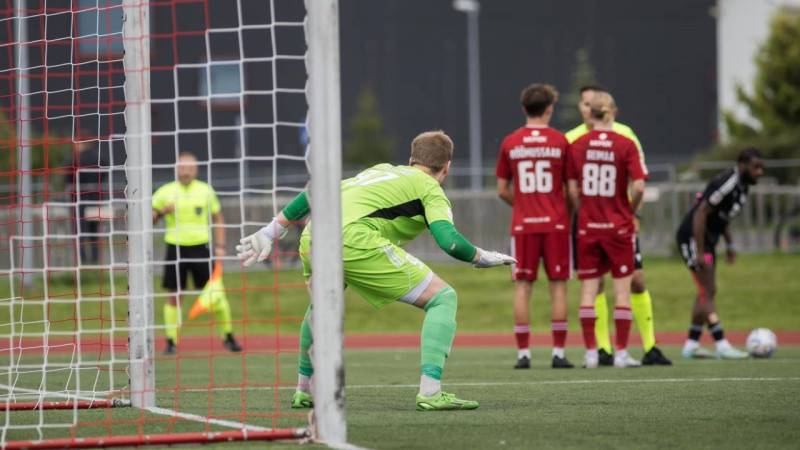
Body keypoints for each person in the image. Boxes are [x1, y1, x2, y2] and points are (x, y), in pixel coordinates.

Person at [237, 131, 516, 411]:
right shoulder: (432, 190)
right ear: (447, 167)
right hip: (355, 240)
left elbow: (316, 192)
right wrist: (483, 257)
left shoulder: (381, 170)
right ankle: (431, 392)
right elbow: (450, 242)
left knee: (320, 308)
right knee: (443, 298)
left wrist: (270, 231)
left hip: (314, 236)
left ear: (410, 160)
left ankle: (305, 389)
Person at [565, 84, 671, 366]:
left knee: (589, 290)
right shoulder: (625, 143)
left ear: (590, 112)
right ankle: (621, 352)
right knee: (621, 291)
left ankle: (590, 353)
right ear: (612, 112)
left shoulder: (577, 145)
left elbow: (572, 191)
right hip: (618, 226)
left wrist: (582, 210)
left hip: (588, 225)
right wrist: (631, 210)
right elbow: (638, 186)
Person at [495, 84, 573, 370]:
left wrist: (524, 206)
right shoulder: (560, 141)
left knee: (522, 288)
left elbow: (502, 189)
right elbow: (572, 190)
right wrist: (566, 213)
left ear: (524, 108)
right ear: (549, 109)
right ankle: (558, 353)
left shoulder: (510, 142)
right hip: (556, 224)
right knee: (558, 288)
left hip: (524, 226)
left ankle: (524, 355)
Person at [676, 148, 764, 359]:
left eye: (761, 168)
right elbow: (700, 213)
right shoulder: (728, 183)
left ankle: (691, 345)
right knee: (708, 289)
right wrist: (698, 251)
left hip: (708, 241)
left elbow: (721, 218)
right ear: (742, 165)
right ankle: (721, 343)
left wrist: (730, 245)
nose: (759, 172)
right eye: (755, 167)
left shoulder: (743, 187)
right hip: (693, 238)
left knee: (707, 291)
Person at [152, 152, 241, 355]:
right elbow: (149, 218)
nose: (185, 172)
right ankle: (171, 342)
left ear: (196, 170)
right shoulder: (165, 191)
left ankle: (228, 336)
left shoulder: (205, 190)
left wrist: (220, 246)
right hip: (175, 248)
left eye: (189, 168)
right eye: (182, 168)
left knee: (216, 294)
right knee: (175, 295)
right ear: (176, 170)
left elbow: (219, 219)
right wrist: (161, 212)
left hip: (202, 248)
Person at [64, 139, 109, 264]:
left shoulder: (73, 160)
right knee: (94, 230)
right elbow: (104, 174)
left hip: (78, 198)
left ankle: (81, 259)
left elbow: (68, 177)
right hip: (96, 197)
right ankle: (95, 259)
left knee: (79, 231)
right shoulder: (100, 159)